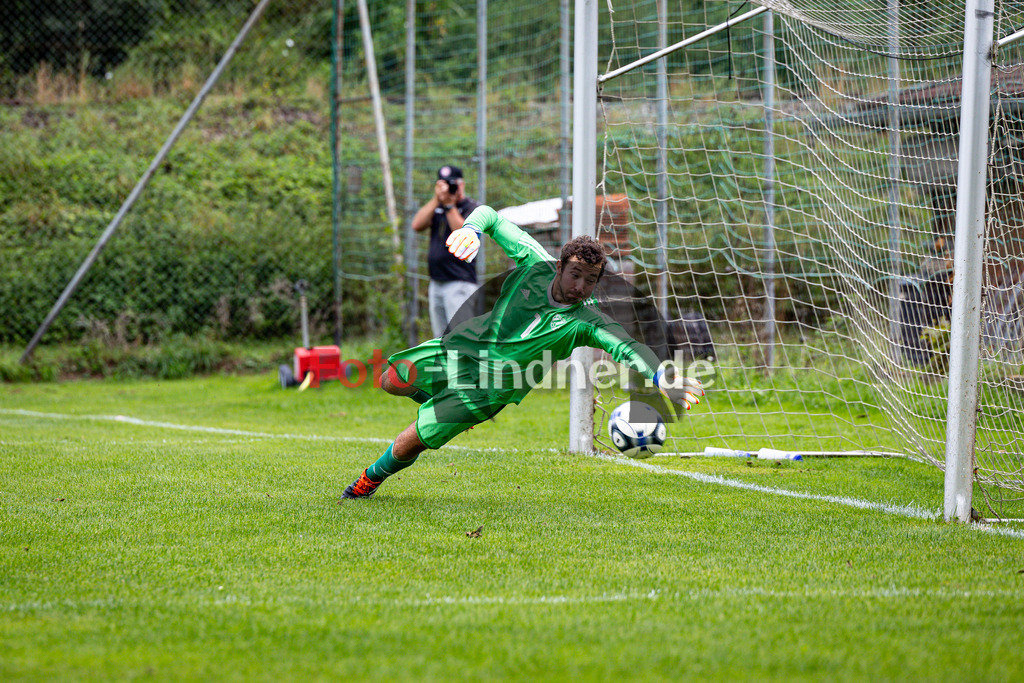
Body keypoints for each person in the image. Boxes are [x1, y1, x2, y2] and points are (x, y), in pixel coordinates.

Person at [341, 205, 704, 499]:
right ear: (560, 266)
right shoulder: (533, 261)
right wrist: (471, 229)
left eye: (590, 280)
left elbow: (628, 347)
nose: (581, 286)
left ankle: (368, 481)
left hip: (488, 388)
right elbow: (491, 216)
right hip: (461, 348)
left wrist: (662, 376)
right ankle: (437, 399)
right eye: (575, 275)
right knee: (390, 379)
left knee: (411, 441)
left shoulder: (587, 322)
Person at [411, 165, 481, 338]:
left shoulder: (472, 208)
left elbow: (463, 236)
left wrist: (450, 206)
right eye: (443, 184)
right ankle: (446, 367)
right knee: (440, 340)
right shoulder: (437, 207)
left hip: (460, 282)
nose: (448, 188)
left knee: (461, 338)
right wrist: (437, 199)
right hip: (437, 283)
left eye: (451, 184)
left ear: (461, 185)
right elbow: (416, 225)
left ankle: (468, 366)